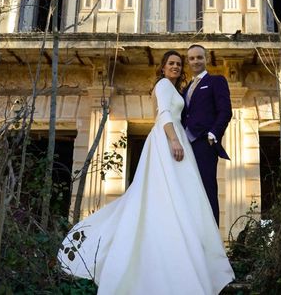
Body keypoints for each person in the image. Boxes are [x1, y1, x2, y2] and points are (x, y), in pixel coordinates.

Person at [58, 50, 234, 294]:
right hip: (168, 141)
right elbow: (163, 114)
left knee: (178, 198)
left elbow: (212, 111)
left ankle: (181, 253)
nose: (176, 66)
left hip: (182, 141)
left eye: (178, 64)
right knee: (166, 194)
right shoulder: (163, 85)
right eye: (171, 63)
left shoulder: (183, 88)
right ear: (162, 68)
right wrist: (173, 140)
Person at [181, 44, 232, 226]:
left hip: (204, 143)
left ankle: (213, 239)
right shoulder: (186, 89)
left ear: (206, 59)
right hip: (186, 146)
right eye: (192, 58)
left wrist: (212, 135)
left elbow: (225, 111)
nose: (196, 61)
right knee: (188, 191)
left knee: (207, 189)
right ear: (188, 61)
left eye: (199, 57)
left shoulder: (216, 81)